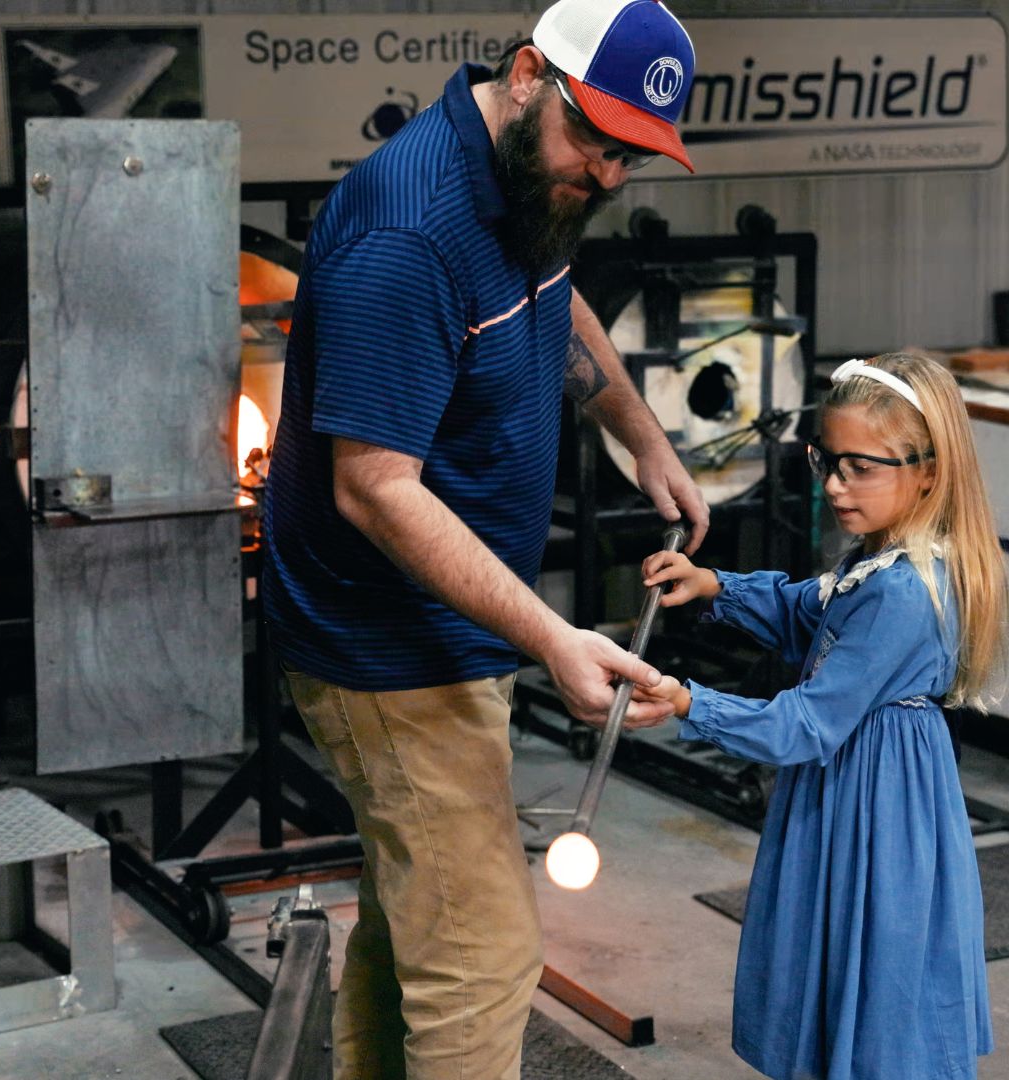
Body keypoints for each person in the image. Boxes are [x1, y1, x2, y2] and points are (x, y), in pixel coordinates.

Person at [259, 2, 709, 1076]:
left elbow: (549, 294)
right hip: (391, 651)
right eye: (594, 142)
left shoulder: (521, 182)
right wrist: (556, 639)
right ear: (525, 76)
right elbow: (374, 490)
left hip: (450, 633)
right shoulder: (409, 230)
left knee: (415, 927)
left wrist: (638, 433)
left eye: (632, 157)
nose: (605, 176)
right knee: (484, 958)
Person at [636, 353, 1004, 1080]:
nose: (835, 485)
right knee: (841, 956)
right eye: (826, 461)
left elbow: (804, 725)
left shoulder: (903, 593)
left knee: (875, 967)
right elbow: (809, 612)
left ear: (927, 471)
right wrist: (714, 585)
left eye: (859, 467)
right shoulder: (879, 559)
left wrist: (688, 702)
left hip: (877, 801)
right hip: (856, 781)